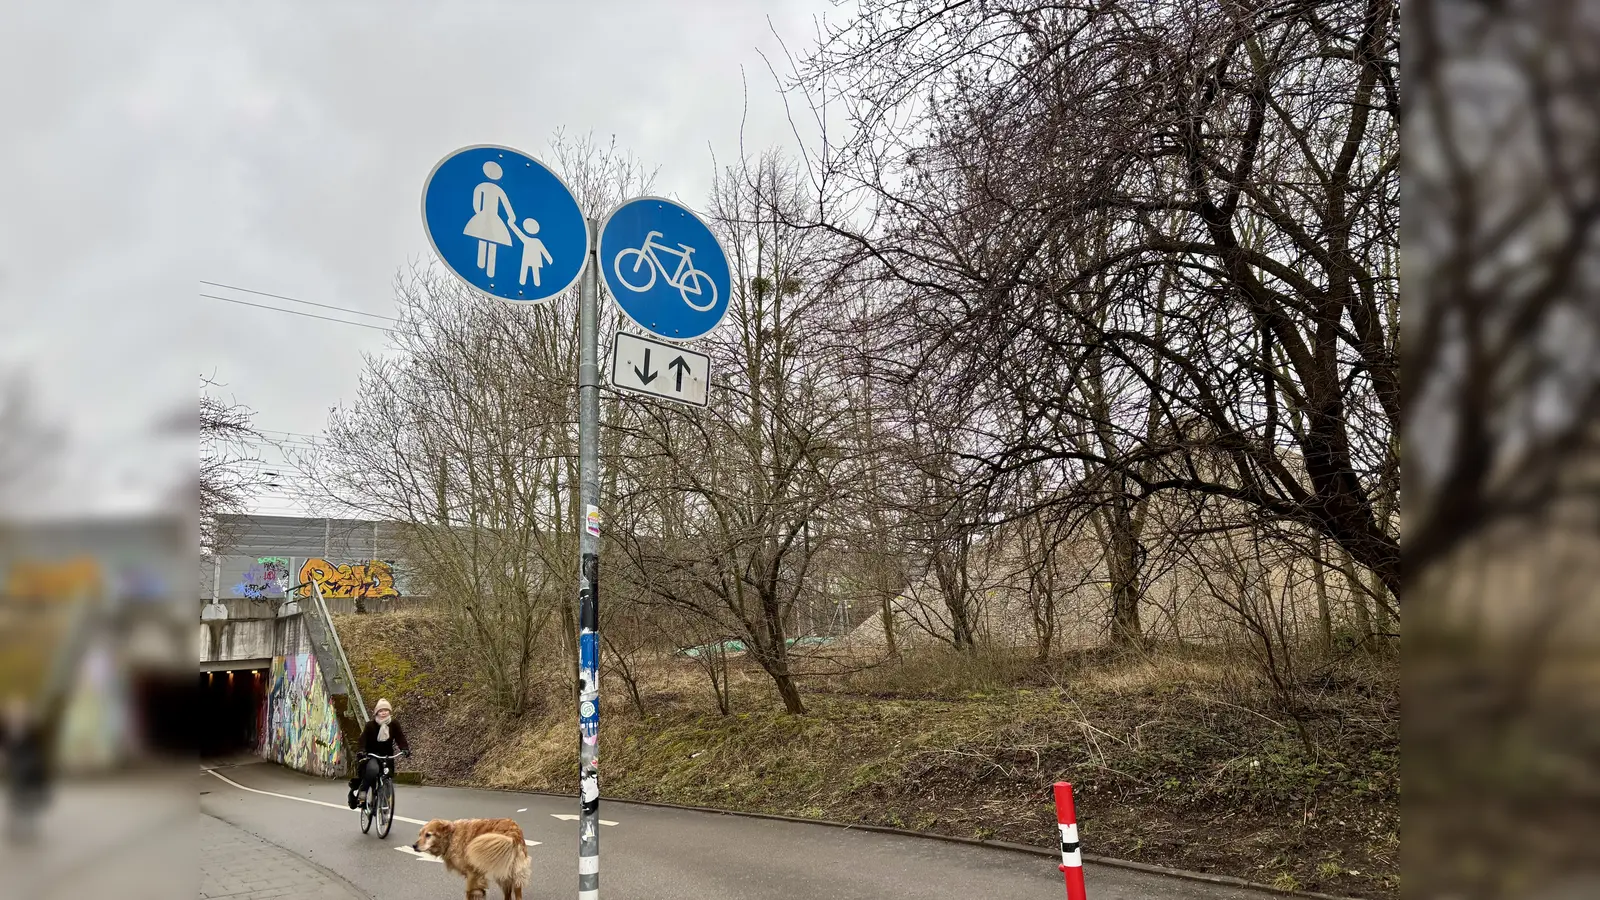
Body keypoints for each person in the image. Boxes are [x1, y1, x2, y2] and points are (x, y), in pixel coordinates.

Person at [1, 694, 47, 843]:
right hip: (13, 764)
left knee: (27, 793)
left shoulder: (32, 729)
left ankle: (28, 819)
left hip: (29, 764)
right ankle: (15, 818)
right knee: (15, 790)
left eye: (19, 712)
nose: (16, 715)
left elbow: (37, 749)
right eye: (13, 712)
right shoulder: (5, 728)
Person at [347, 698, 410, 810]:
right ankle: (361, 797)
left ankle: (384, 804)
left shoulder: (394, 724)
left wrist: (404, 748)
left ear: (389, 711)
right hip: (372, 755)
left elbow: (400, 738)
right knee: (372, 771)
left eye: (386, 710)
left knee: (387, 777)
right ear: (377, 712)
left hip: (387, 756)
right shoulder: (370, 725)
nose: (383, 712)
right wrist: (362, 751)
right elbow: (363, 740)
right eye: (381, 711)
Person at [507, 217, 553, 288]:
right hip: (530, 259)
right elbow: (518, 233)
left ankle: (533, 284)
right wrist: (511, 225)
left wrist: (549, 259)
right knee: (528, 271)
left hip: (531, 259)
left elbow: (543, 250)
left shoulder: (531, 240)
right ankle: (524, 283)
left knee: (533, 271)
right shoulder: (530, 240)